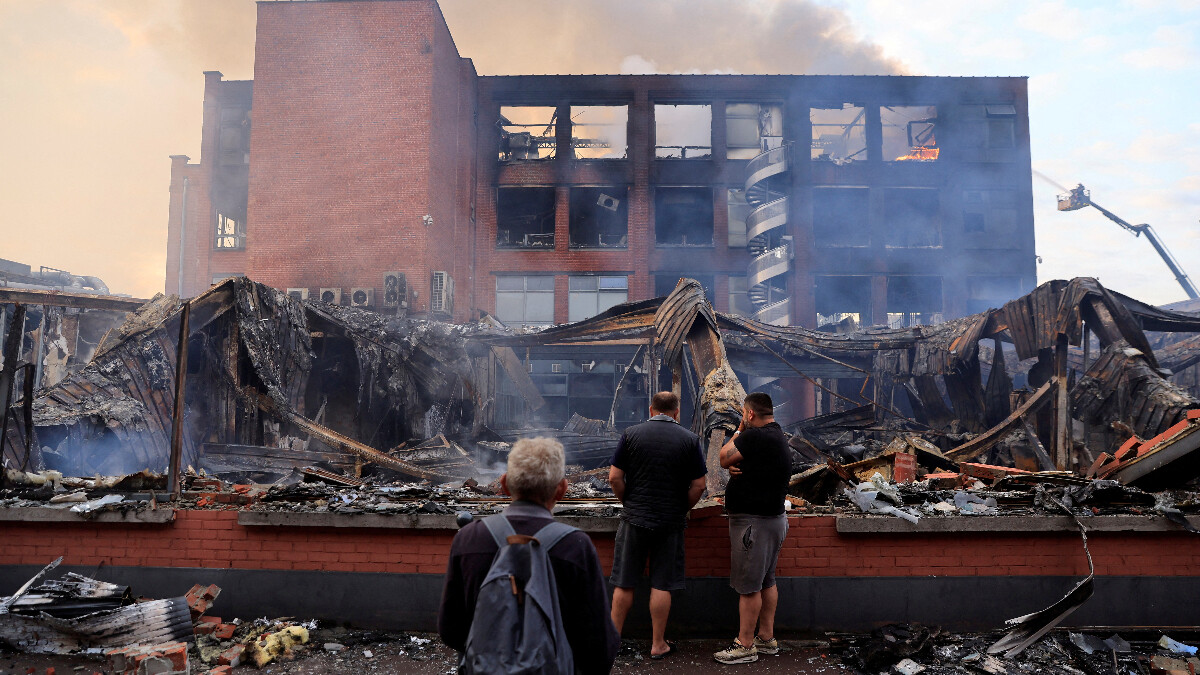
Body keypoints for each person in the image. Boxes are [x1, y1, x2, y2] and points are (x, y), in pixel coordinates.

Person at [439, 437, 619, 674]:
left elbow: (450, 629)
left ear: (503, 485)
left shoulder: (469, 539)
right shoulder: (576, 546)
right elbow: (599, 641)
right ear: (562, 490)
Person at [608, 391, 707, 659]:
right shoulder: (689, 439)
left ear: (651, 410)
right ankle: (658, 644)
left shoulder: (630, 434)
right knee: (662, 584)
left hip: (635, 519)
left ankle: (612, 643)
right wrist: (681, 507)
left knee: (624, 582)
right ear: (677, 412)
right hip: (669, 521)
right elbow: (700, 485)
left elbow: (615, 478)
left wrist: (630, 502)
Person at [712, 392, 792, 665]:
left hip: (753, 524)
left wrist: (738, 431)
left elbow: (722, 457)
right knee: (766, 580)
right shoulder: (776, 434)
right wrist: (739, 463)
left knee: (749, 587)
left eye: (744, 415)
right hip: (773, 520)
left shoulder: (754, 435)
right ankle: (766, 638)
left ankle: (745, 644)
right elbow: (749, 464)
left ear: (749, 414)